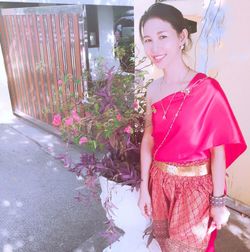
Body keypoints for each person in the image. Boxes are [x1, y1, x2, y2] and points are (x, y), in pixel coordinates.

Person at [137, 3, 247, 252]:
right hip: (160, 183)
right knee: (166, 246)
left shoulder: (206, 89)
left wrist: (219, 202)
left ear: (182, 37)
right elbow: (148, 139)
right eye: (148, 39)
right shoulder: (153, 90)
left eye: (162, 36)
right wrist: (145, 187)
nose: (154, 48)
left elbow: (217, 151)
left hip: (194, 190)